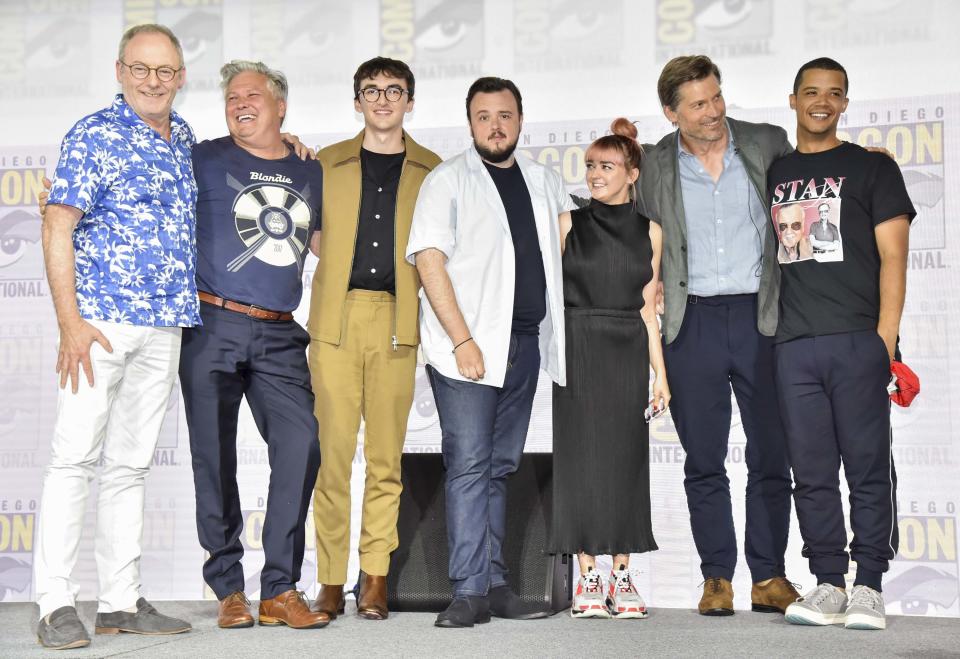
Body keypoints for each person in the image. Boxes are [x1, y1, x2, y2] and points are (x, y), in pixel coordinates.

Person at [34, 23, 196, 649]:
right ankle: (53, 603)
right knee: (73, 460)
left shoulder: (181, 137)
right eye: (141, 69)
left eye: (165, 71)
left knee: (129, 467)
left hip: (165, 324)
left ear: (179, 77)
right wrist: (70, 324)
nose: (153, 81)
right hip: (98, 324)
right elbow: (56, 226)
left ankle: (120, 602)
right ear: (120, 71)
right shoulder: (92, 135)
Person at [406, 76, 576, 628]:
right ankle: (467, 590)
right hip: (467, 352)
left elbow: (572, 236)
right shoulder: (447, 180)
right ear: (470, 122)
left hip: (524, 344)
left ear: (520, 121)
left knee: (501, 466)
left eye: (505, 115)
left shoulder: (543, 180)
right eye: (484, 116)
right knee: (470, 465)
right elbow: (428, 262)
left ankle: (498, 583)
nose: (495, 125)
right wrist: (463, 340)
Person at [637, 55, 799, 616]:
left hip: (764, 316)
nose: (713, 112)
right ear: (671, 113)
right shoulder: (653, 162)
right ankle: (716, 579)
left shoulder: (767, 142)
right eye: (698, 104)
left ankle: (770, 576)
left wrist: (866, 162)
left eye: (716, 97)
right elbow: (627, 225)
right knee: (703, 459)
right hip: (692, 321)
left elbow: (815, 182)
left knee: (772, 453)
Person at [178, 61, 328, 630]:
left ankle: (280, 587)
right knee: (212, 456)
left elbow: (324, 245)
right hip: (211, 321)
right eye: (232, 96)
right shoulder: (202, 156)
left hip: (279, 329)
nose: (240, 103)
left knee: (303, 442)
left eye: (253, 95)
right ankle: (228, 588)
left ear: (281, 106)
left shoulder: (310, 170)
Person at [770, 57, 914, 631]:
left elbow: (894, 259)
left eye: (834, 94)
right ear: (794, 100)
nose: (821, 102)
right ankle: (828, 580)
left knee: (868, 467)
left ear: (846, 103)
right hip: (792, 344)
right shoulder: (775, 171)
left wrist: (884, 341)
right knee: (810, 470)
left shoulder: (873, 170)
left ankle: (870, 584)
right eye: (811, 93)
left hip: (858, 340)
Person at [307, 57, 441, 622]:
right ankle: (331, 580)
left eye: (394, 91)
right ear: (356, 100)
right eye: (371, 90)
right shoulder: (324, 162)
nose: (383, 100)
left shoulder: (433, 169)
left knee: (386, 459)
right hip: (336, 320)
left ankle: (375, 579)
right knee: (332, 459)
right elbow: (304, 232)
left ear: (410, 100)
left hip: (396, 321)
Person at [548, 119, 668, 620]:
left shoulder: (651, 232)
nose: (596, 174)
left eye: (607, 166)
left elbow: (648, 308)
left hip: (626, 349)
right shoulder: (567, 224)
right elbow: (552, 301)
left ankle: (622, 574)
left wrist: (660, 374)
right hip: (577, 347)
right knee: (579, 463)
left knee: (624, 461)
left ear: (632, 173)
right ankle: (587, 574)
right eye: (592, 166)